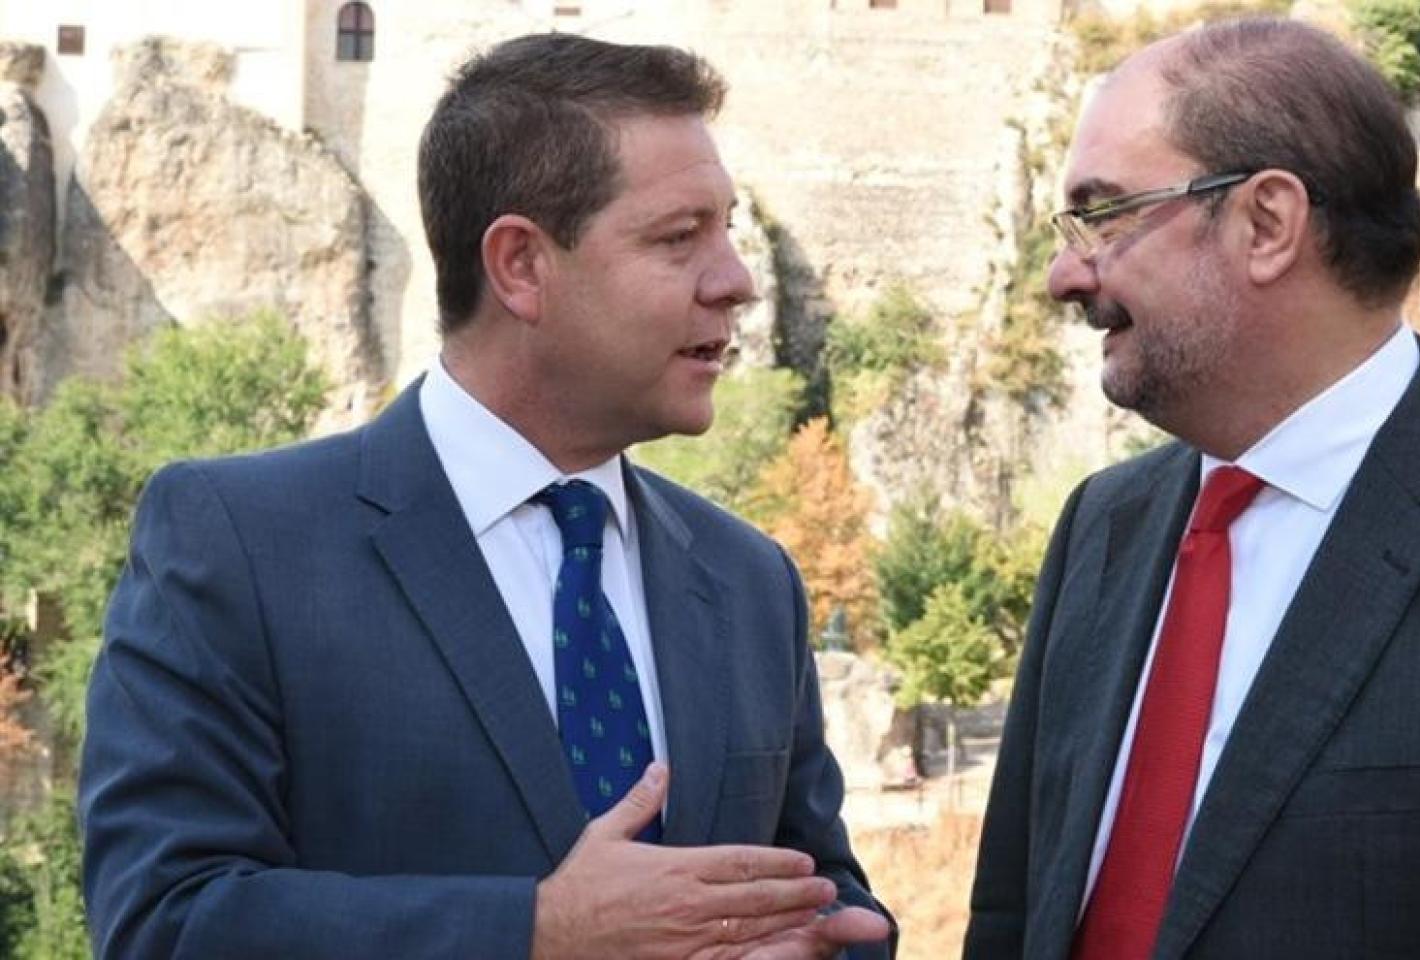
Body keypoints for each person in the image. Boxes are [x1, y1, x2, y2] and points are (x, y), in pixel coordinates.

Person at [79, 33, 894, 960]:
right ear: (520, 265)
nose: (737, 281)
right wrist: (539, 932)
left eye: (728, 230)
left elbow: (834, 900)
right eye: (679, 238)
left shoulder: (751, 580)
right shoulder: (240, 545)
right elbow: (166, 921)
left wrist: (817, 944)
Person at [965, 17, 1420, 959]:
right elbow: (1010, 915)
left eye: (1106, 215)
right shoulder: (1101, 528)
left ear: (1266, 224)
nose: (1065, 275)